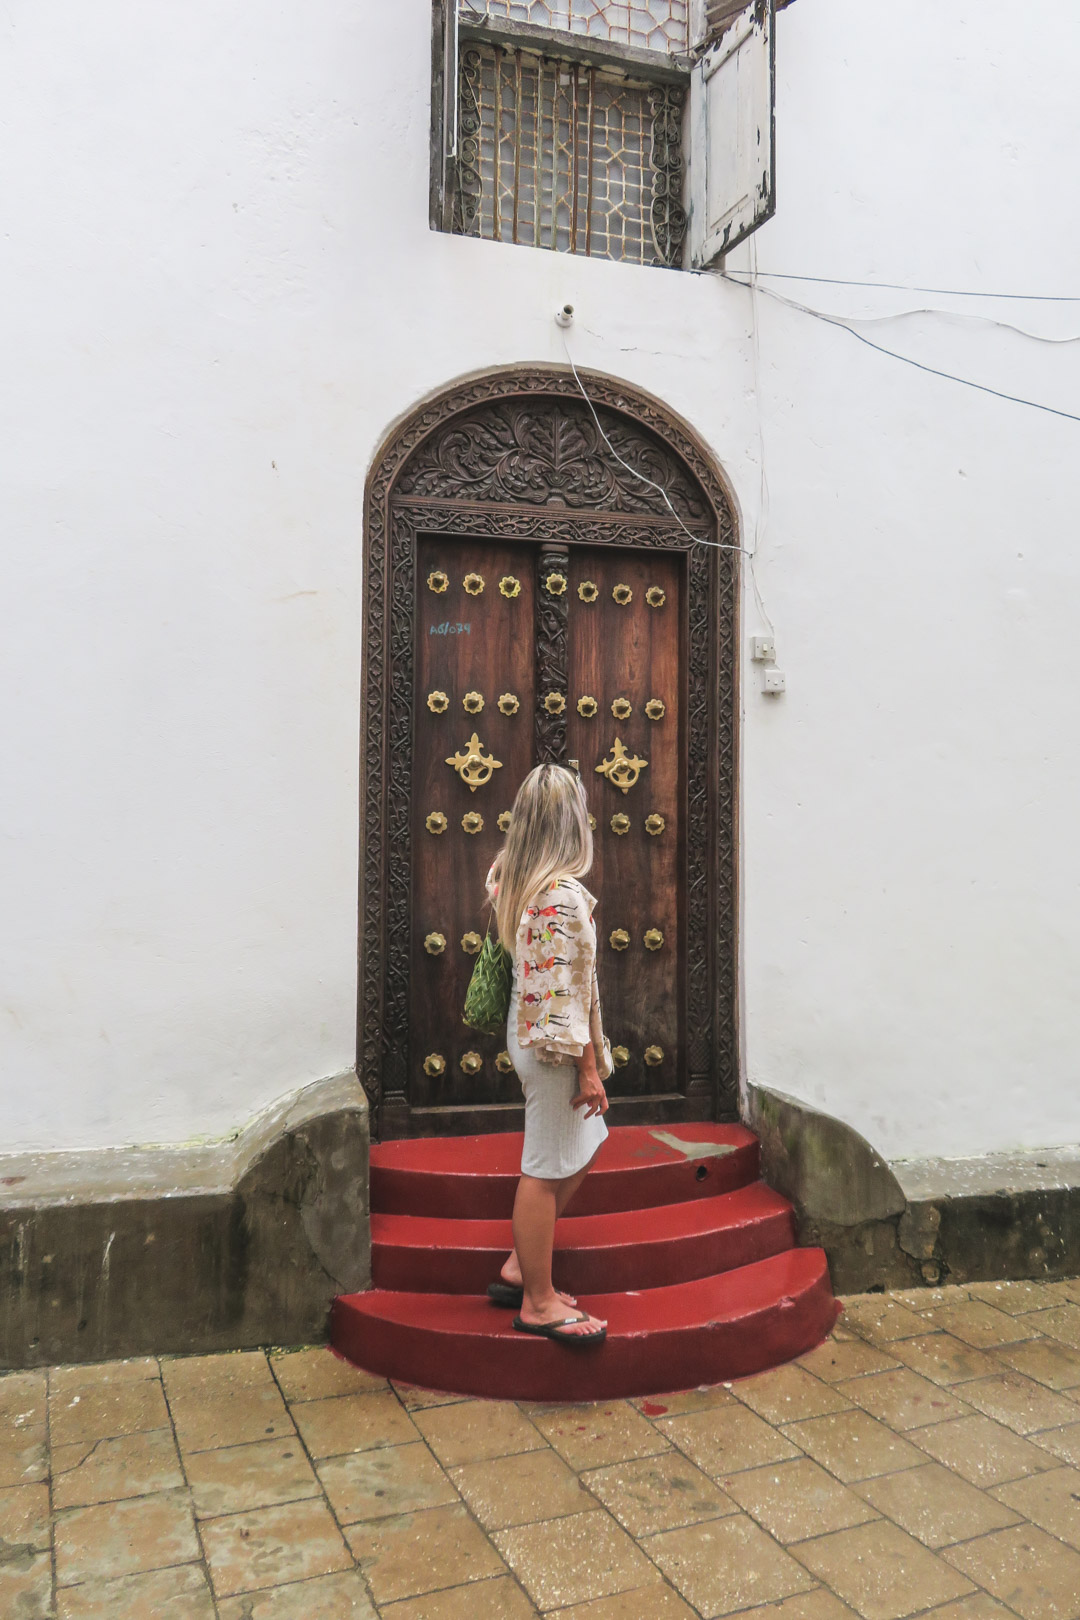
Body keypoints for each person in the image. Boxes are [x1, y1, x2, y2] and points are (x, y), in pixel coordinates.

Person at [484, 763, 612, 1344]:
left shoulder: (513, 878)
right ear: (569, 823)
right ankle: (538, 1301)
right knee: (543, 1167)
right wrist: (587, 1067)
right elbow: (566, 991)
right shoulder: (557, 895)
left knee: (583, 1145)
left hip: (530, 1031)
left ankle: (520, 1266)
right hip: (553, 1042)